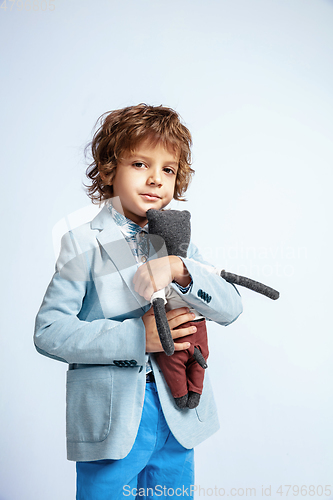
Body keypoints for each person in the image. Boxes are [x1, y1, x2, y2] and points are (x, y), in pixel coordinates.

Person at [34, 103, 243, 499]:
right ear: (110, 169)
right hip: (113, 418)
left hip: (178, 413)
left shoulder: (180, 242)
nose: (155, 180)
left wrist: (180, 267)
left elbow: (231, 307)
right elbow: (49, 331)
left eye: (167, 169)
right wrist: (137, 337)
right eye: (140, 164)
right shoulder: (83, 242)